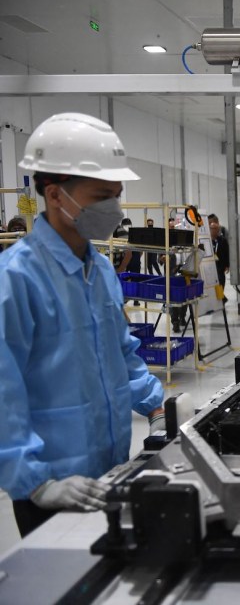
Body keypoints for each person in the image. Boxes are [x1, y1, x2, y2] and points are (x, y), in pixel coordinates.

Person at [0, 112, 164, 537]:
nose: (114, 208)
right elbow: (3, 390)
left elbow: (120, 351)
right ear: (55, 194)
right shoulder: (15, 277)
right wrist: (35, 484)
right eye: (102, 195)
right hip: (56, 487)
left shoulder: (102, 269)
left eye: (118, 194)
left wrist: (156, 403)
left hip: (110, 471)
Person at [210, 217, 230, 302]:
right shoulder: (207, 241)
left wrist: (227, 265)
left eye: (216, 229)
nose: (214, 231)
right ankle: (221, 299)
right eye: (212, 229)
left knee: (221, 284)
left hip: (220, 266)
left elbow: (227, 253)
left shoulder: (222, 240)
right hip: (211, 267)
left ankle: (221, 299)